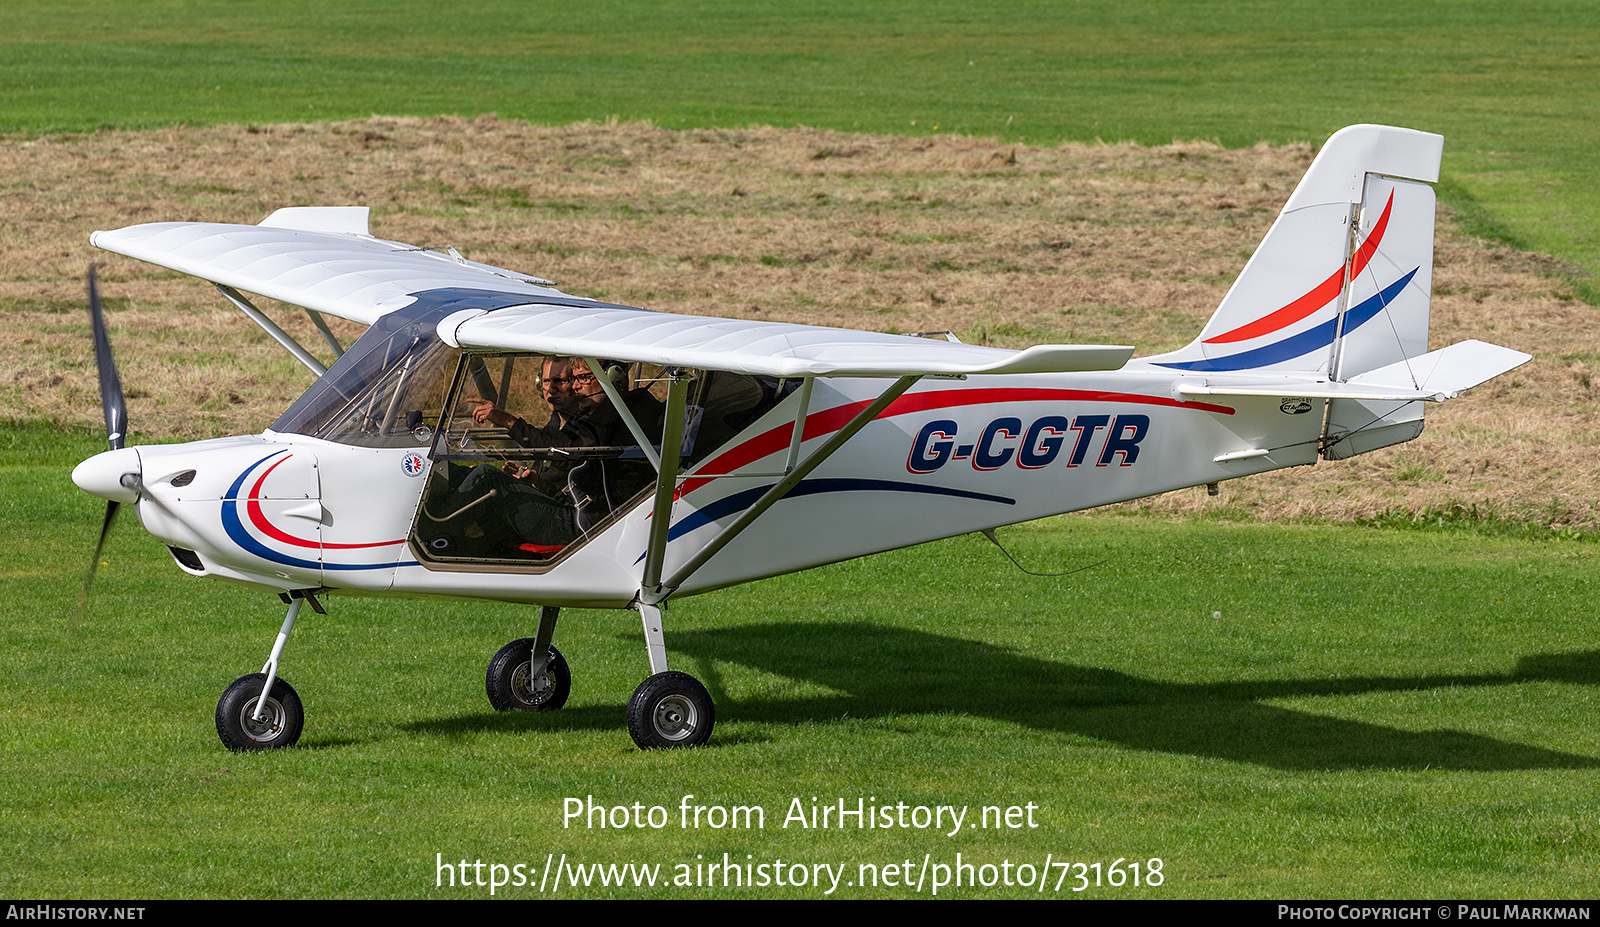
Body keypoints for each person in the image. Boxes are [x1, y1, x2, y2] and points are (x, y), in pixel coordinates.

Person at [449, 356, 661, 555]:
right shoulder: (597, 416)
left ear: (613, 377)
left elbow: (570, 452)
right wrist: (541, 485)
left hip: (591, 526)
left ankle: (437, 539)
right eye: (574, 379)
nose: (576, 387)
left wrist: (509, 422)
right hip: (583, 516)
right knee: (464, 473)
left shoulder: (621, 414)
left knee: (487, 476)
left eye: (583, 378)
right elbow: (584, 483)